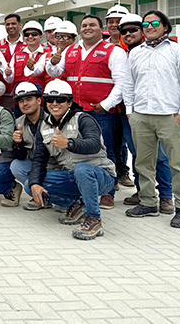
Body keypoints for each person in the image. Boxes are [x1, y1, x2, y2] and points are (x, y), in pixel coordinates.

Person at [45, 15, 132, 210]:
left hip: (100, 112)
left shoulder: (113, 51)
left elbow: (122, 82)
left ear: (102, 29)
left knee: (106, 149)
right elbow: (55, 72)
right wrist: (52, 62)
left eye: (92, 25)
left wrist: (106, 104)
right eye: (84, 25)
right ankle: (80, 189)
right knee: (75, 149)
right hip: (75, 112)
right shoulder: (70, 50)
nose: (87, 28)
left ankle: (108, 192)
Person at [124, 10, 180, 228]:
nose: (149, 27)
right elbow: (129, 84)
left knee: (178, 164)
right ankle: (148, 202)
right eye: (145, 24)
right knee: (143, 163)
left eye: (155, 23)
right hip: (141, 115)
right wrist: (130, 111)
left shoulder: (179, 51)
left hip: (170, 116)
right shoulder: (136, 53)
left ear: (165, 26)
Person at [28, 79, 116, 241]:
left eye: (60, 99)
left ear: (69, 102)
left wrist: (69, 144)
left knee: (82, 169)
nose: (54, 104)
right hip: (73, 176)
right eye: (50, 100)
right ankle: (76, 203)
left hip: (101, 175)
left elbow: (94, 144)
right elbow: (39, 159)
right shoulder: (44, 126)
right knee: (32, 184)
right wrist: (34, 183)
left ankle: (93, 219)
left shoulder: (83, 119)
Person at [117, 13, 173, 213]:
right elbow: (126, 85)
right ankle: (144, 193)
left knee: (160, 156)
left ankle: (166, 196)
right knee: (138, 155)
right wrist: (129, 111)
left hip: (158, 112)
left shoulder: (161, 50)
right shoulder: (124, 53)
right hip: (131, 114)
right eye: (124, 31)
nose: (128, 33)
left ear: (142, 31)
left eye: (133, 29)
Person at [9, 82, 51, 210]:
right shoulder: (18, 122)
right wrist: (19, 143)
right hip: (35, 164)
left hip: (55, 166)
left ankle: (63, 198)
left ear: (39, 100)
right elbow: (20, 156)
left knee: (31, 182)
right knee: (16, 165)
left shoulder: (52, 119)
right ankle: (40, 197)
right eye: (21, 101)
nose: (25, 104)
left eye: (29, 99)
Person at [105, 4, 134, 188]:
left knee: (127, 143)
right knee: (111, 141)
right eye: (111, 21)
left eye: (118, 21)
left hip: (128, 105)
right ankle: (113, 176)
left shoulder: (133, 44)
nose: (114, 25)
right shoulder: (102, 45)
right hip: (108, 104)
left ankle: (123, 172)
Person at [0, 13, 25, 111]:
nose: (10, 26)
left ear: (20, 25)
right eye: (8, 24)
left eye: (13, 23)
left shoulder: (26, 43)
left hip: (20, 87)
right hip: (2, 89)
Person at [4, 21, 49, 91]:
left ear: (41, 37)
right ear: (23, 38)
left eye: (34, 34)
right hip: (20, 94)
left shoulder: (48, 54)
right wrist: (8, 74)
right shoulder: (16, 55)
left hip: (40, 94)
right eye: (27, 35)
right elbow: (10, 80)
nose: (30, 37)